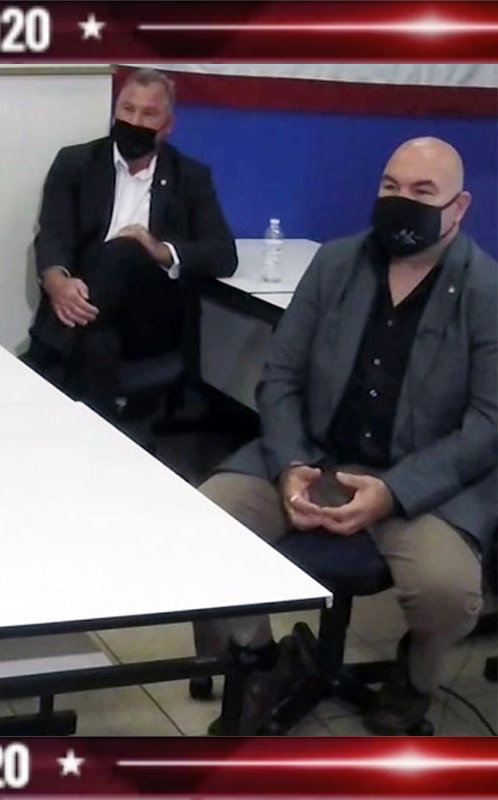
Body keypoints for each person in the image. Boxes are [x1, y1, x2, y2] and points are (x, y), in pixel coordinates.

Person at [194, 137, 496, 735]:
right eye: (391, 186)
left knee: (446, 591)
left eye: (423, 192)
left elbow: (489, 422)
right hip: (316, 457)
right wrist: (291, 465)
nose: (402, 201)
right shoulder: (335, 264)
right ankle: (262, 660)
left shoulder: (487, 290)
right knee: (202, 523)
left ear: (459, 208)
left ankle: (414, 678)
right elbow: (280, 377)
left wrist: (394, 492)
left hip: (423, 483)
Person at [22, 68, 236, 414]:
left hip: (149, 319)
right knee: (96, 341)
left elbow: (223, 254)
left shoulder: (190, 176)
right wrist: (57, 282)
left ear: (168, 126)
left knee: (126, 250)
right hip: (87, 308)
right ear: (114, 112)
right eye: (127, 109)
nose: (134, 121)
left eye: (149, 114)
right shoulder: (76, 163)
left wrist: (158, 249)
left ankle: (42, 356)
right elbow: (53, 233)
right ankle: (94, 439)